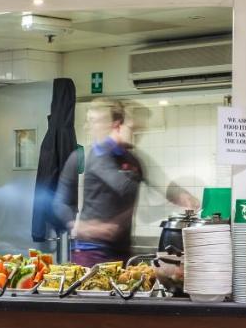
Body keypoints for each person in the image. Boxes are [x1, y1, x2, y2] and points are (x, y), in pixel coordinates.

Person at [52, 99, 198, 266]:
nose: (88, 127)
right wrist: (80, 227)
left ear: (115, 124)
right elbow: (59, 202)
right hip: (90, 251)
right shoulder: (82, 157)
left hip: (122, 250)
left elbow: (159, 182)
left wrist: (181, 195)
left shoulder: (131, 159)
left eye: (95, 121)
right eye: (89, 121)